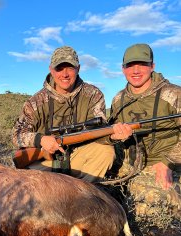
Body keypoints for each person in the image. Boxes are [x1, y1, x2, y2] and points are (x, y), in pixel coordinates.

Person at [12, 46, 131, 182]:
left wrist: (113, 136)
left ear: (78, 69)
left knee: (106, 152)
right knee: (29, 181)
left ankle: (83, 195)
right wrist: (41, 140)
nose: (65, 74)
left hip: (78, 155)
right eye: (59, 68)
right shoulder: (36, 102)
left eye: (70, 68)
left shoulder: (93, 95)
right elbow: (17, 135)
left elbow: (99, 132)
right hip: (47, 160)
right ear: (51, 70)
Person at [109, 43, 181, 218]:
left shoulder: (172, 94)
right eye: (130, 65)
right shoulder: (118, 98)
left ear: (152, 66)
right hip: (129, 166)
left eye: (142, 64)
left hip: (163, 166)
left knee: (145, 211)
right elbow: (109, 133)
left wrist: (168, 162)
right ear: (123, 69)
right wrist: (114, 136)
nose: (136, 71)